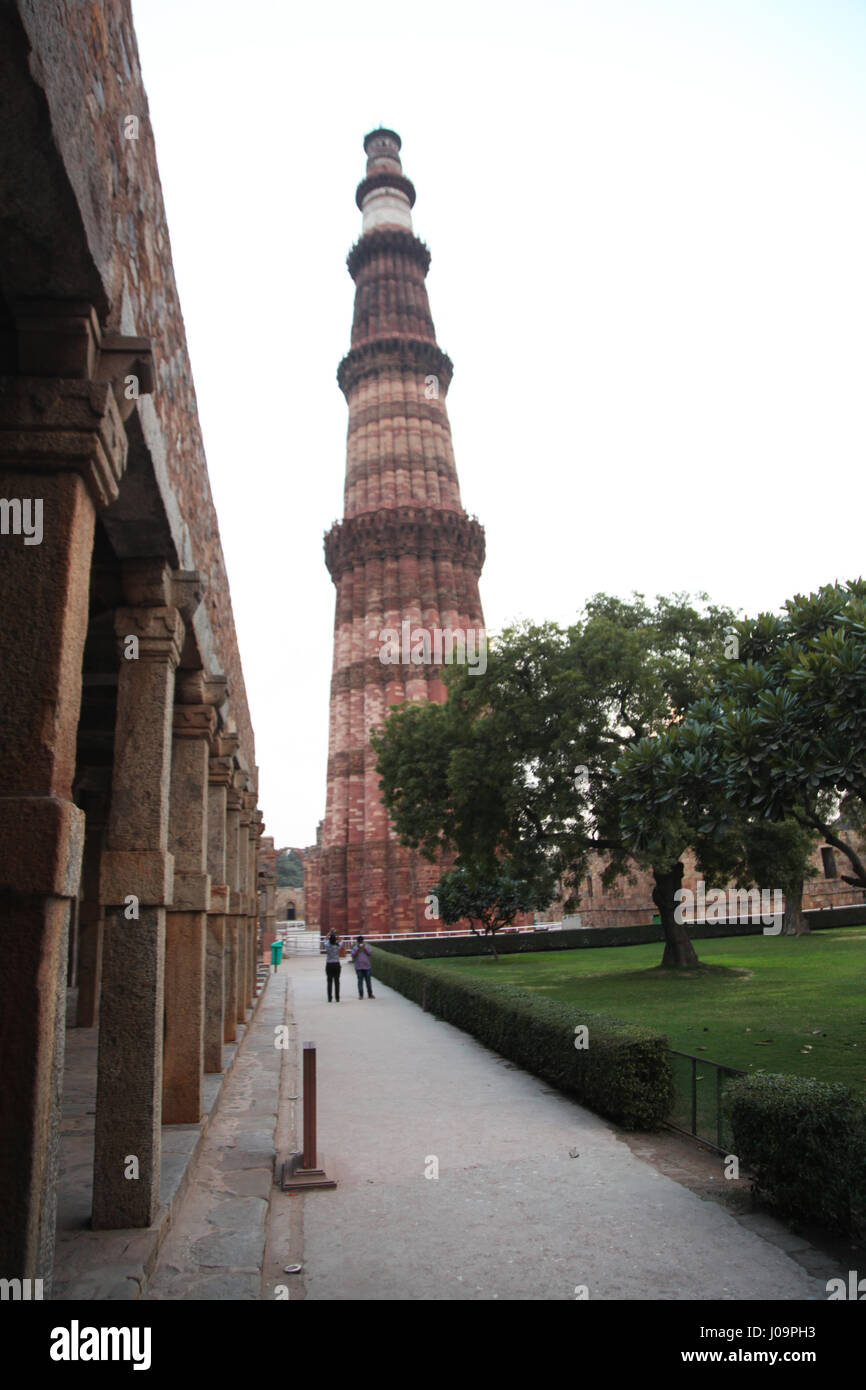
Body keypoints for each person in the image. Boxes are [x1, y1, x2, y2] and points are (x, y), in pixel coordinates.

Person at [324, 930, 341, 1002]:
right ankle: (337, 997)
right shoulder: (337, 946)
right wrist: (336, 934)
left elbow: (325, 939)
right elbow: (340, 940)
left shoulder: (327, 946)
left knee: (329, 981)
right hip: (336, 964)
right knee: (337, 981)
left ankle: (329, 998)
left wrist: (329, 932)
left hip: (329, 964)